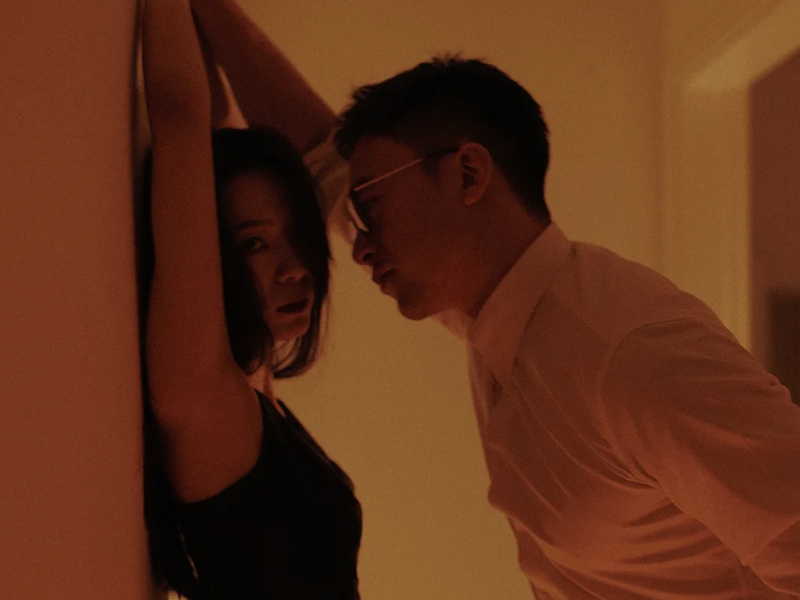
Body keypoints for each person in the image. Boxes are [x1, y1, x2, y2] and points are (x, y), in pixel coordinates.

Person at [190, 1, 800, 598]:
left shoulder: (632, 351)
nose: (360, 246)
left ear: (468, 175)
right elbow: (320, 159)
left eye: (371, 206)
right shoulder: (502, 313)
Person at [140, 1, 361, 598]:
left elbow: (213, 124)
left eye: (300, 235)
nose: (296, 269)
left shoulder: (249, 395)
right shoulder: (201, 392)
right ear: (208, 257)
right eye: (256, 244)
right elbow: (181, 118)